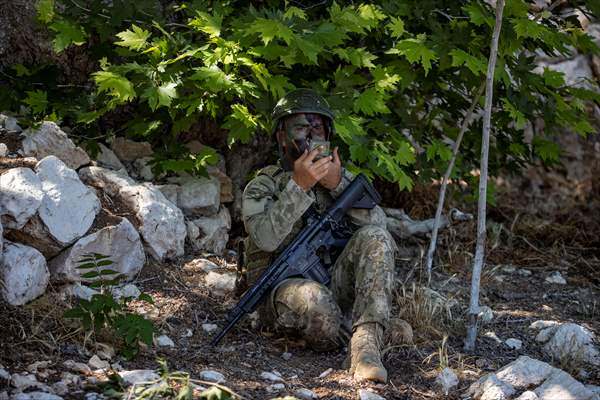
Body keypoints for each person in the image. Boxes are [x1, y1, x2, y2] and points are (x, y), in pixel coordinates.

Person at [238, 88, 396, 383]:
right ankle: (367, 324)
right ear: (282, 137)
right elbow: (264, 239)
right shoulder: (263, 185)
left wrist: (336, 185)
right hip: (282, 290)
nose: (310, 135)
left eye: (317, 128)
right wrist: (298, 187)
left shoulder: (337, 179)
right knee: (319, 308)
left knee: (374, 236)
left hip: (335, 282)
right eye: (300, 127)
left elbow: (380, 228)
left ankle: (365, 347)